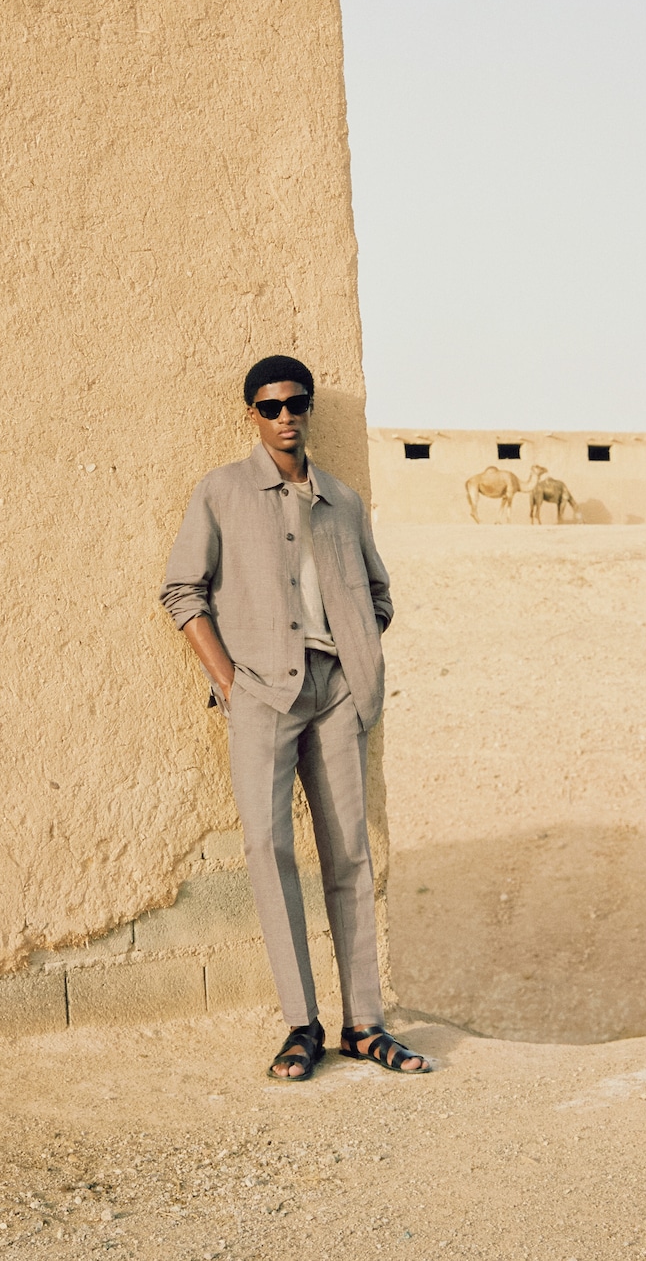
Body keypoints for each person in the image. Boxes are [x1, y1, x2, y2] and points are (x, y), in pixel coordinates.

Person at [160, 355, 430, 1079]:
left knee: (350, 854)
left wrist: (356, 655)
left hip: (336, 692)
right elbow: (182, 590)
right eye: (270, 405)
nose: (286, 416)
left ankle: (364, 1025)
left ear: (309, 408)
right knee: (267, 849)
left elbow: (377, 594)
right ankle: (301, 1025)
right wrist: (230, 684)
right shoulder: (221, 491)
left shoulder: (342, 500)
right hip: (260, 693)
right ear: (251, 413)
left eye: (297, 403)